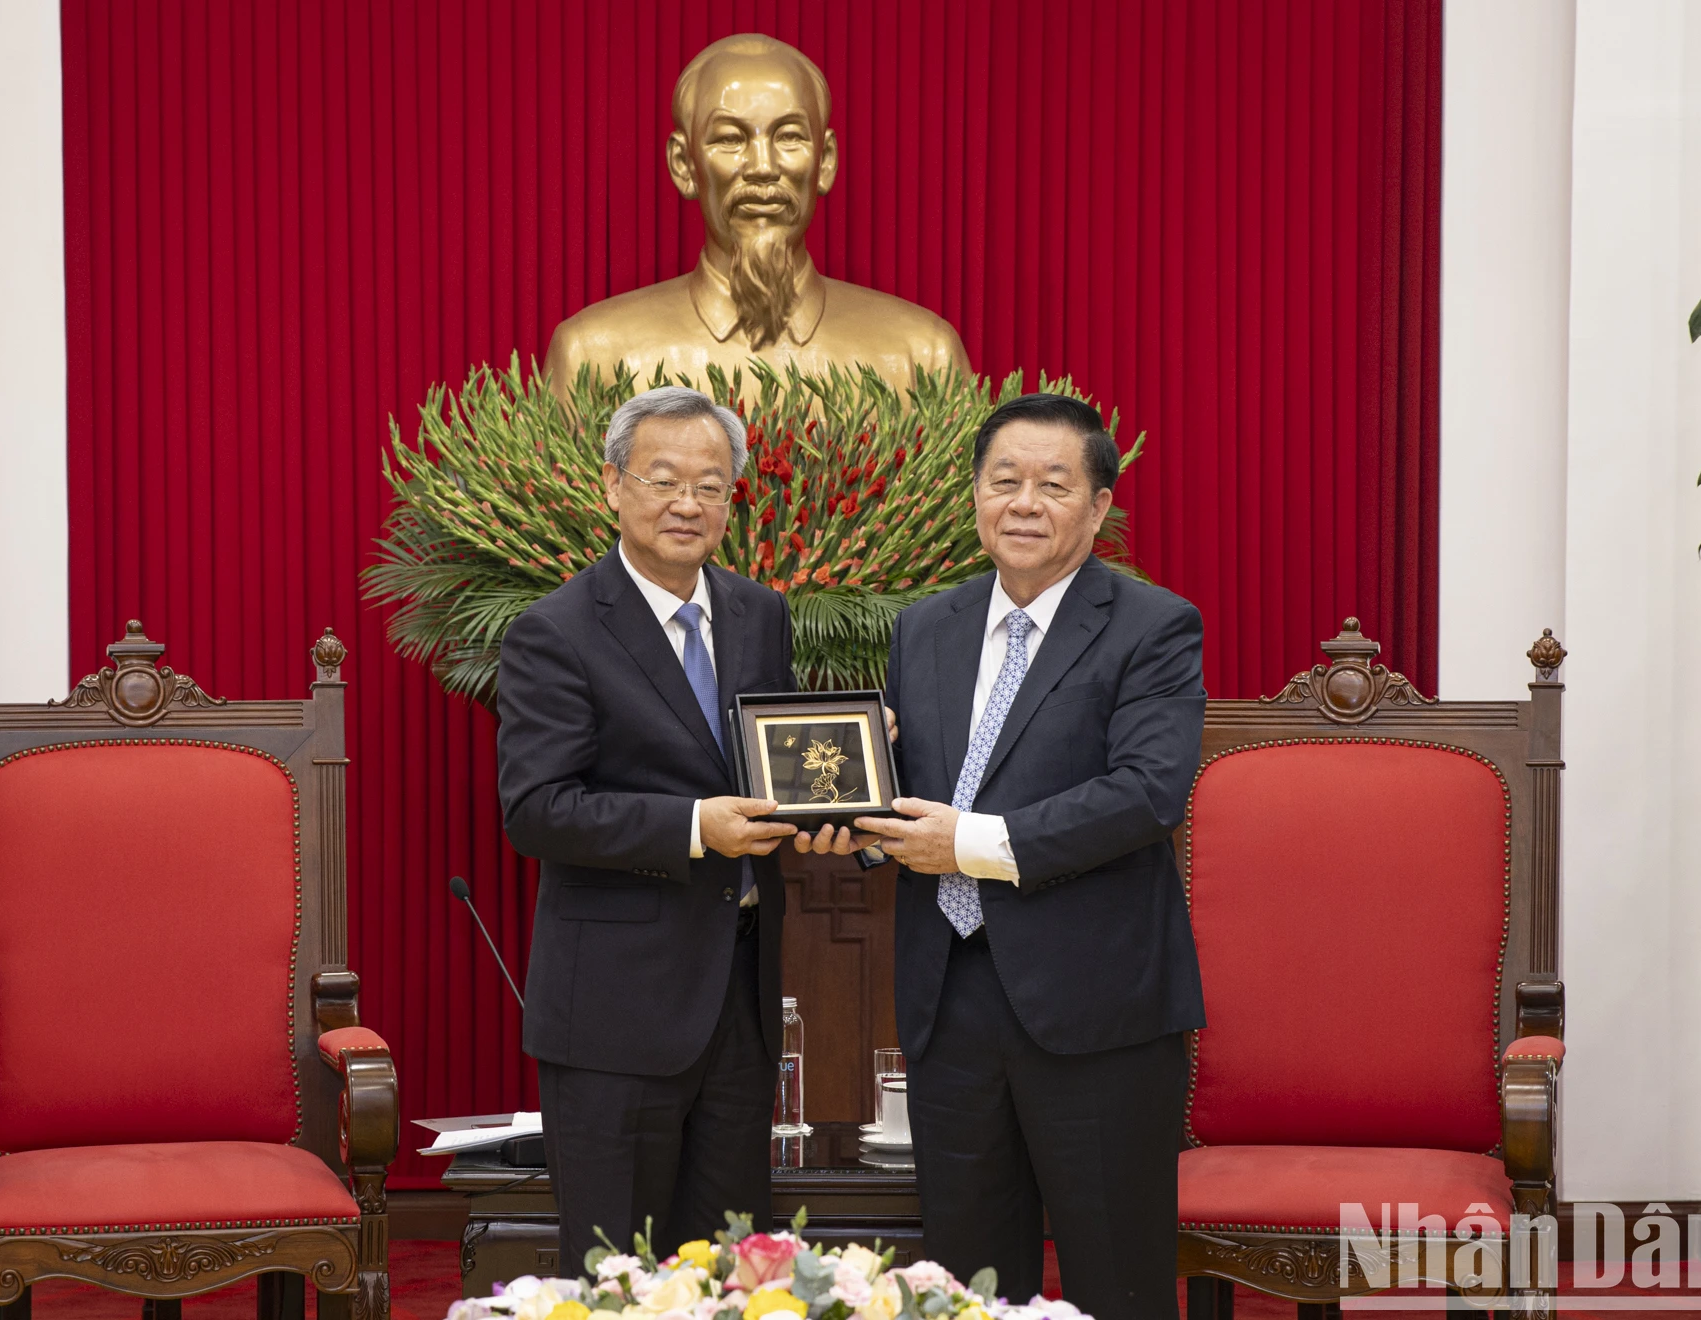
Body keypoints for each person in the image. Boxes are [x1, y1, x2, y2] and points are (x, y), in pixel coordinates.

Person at [851, 394, 1207, 1319]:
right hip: (949, 999)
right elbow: (910, 793)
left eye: (1054, 485)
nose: (1024, 502)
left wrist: (962, 843)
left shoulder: (1152, 626)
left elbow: (1145, 793)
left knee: (1118, 1281)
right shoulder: (924, 626)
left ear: (1097, 509)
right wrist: (854, 795)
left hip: (1097, 1010)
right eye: (1003, 481)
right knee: (965, 1289)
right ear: (974, 496)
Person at [495, 385, 800, 1273]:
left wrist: (836, 787)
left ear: (733, 500)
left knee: (735, 1266)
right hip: (615, 1012)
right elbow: (537, 809)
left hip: (739, 997)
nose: (687, 503)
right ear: (613, 488)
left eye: (711, 485)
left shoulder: (758, 613)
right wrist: (696, 827)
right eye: (662, 479)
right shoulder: (554, 632)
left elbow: (770, 764)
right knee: (615, 1267)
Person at [543, 32, 969, 397]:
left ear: (825, 162)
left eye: (789, 136)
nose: (763, 167)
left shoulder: (923, 357)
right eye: (730, 139)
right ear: (684, 165)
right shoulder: (593, 358)